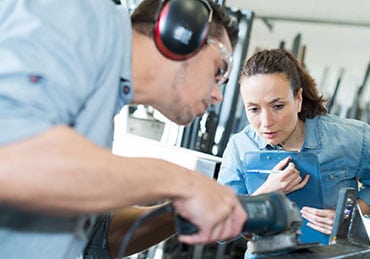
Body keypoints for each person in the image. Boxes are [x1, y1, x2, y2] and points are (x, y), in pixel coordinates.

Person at [0, 0, 248, 258]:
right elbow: (11, 156)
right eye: (220, 70)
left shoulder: (104, 111)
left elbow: (96, 236)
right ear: (180, 33)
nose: (218, 95)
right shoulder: (78, 14)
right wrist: (183, 182)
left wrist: (181, 210)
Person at [217, 48, 370, 257]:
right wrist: (263, 196)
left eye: (278, 106)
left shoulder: (351, 138)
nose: (266, 122)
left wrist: (347, 216)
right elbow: (221, 229)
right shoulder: (239, 148)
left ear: (298, 99)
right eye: (253, 109)